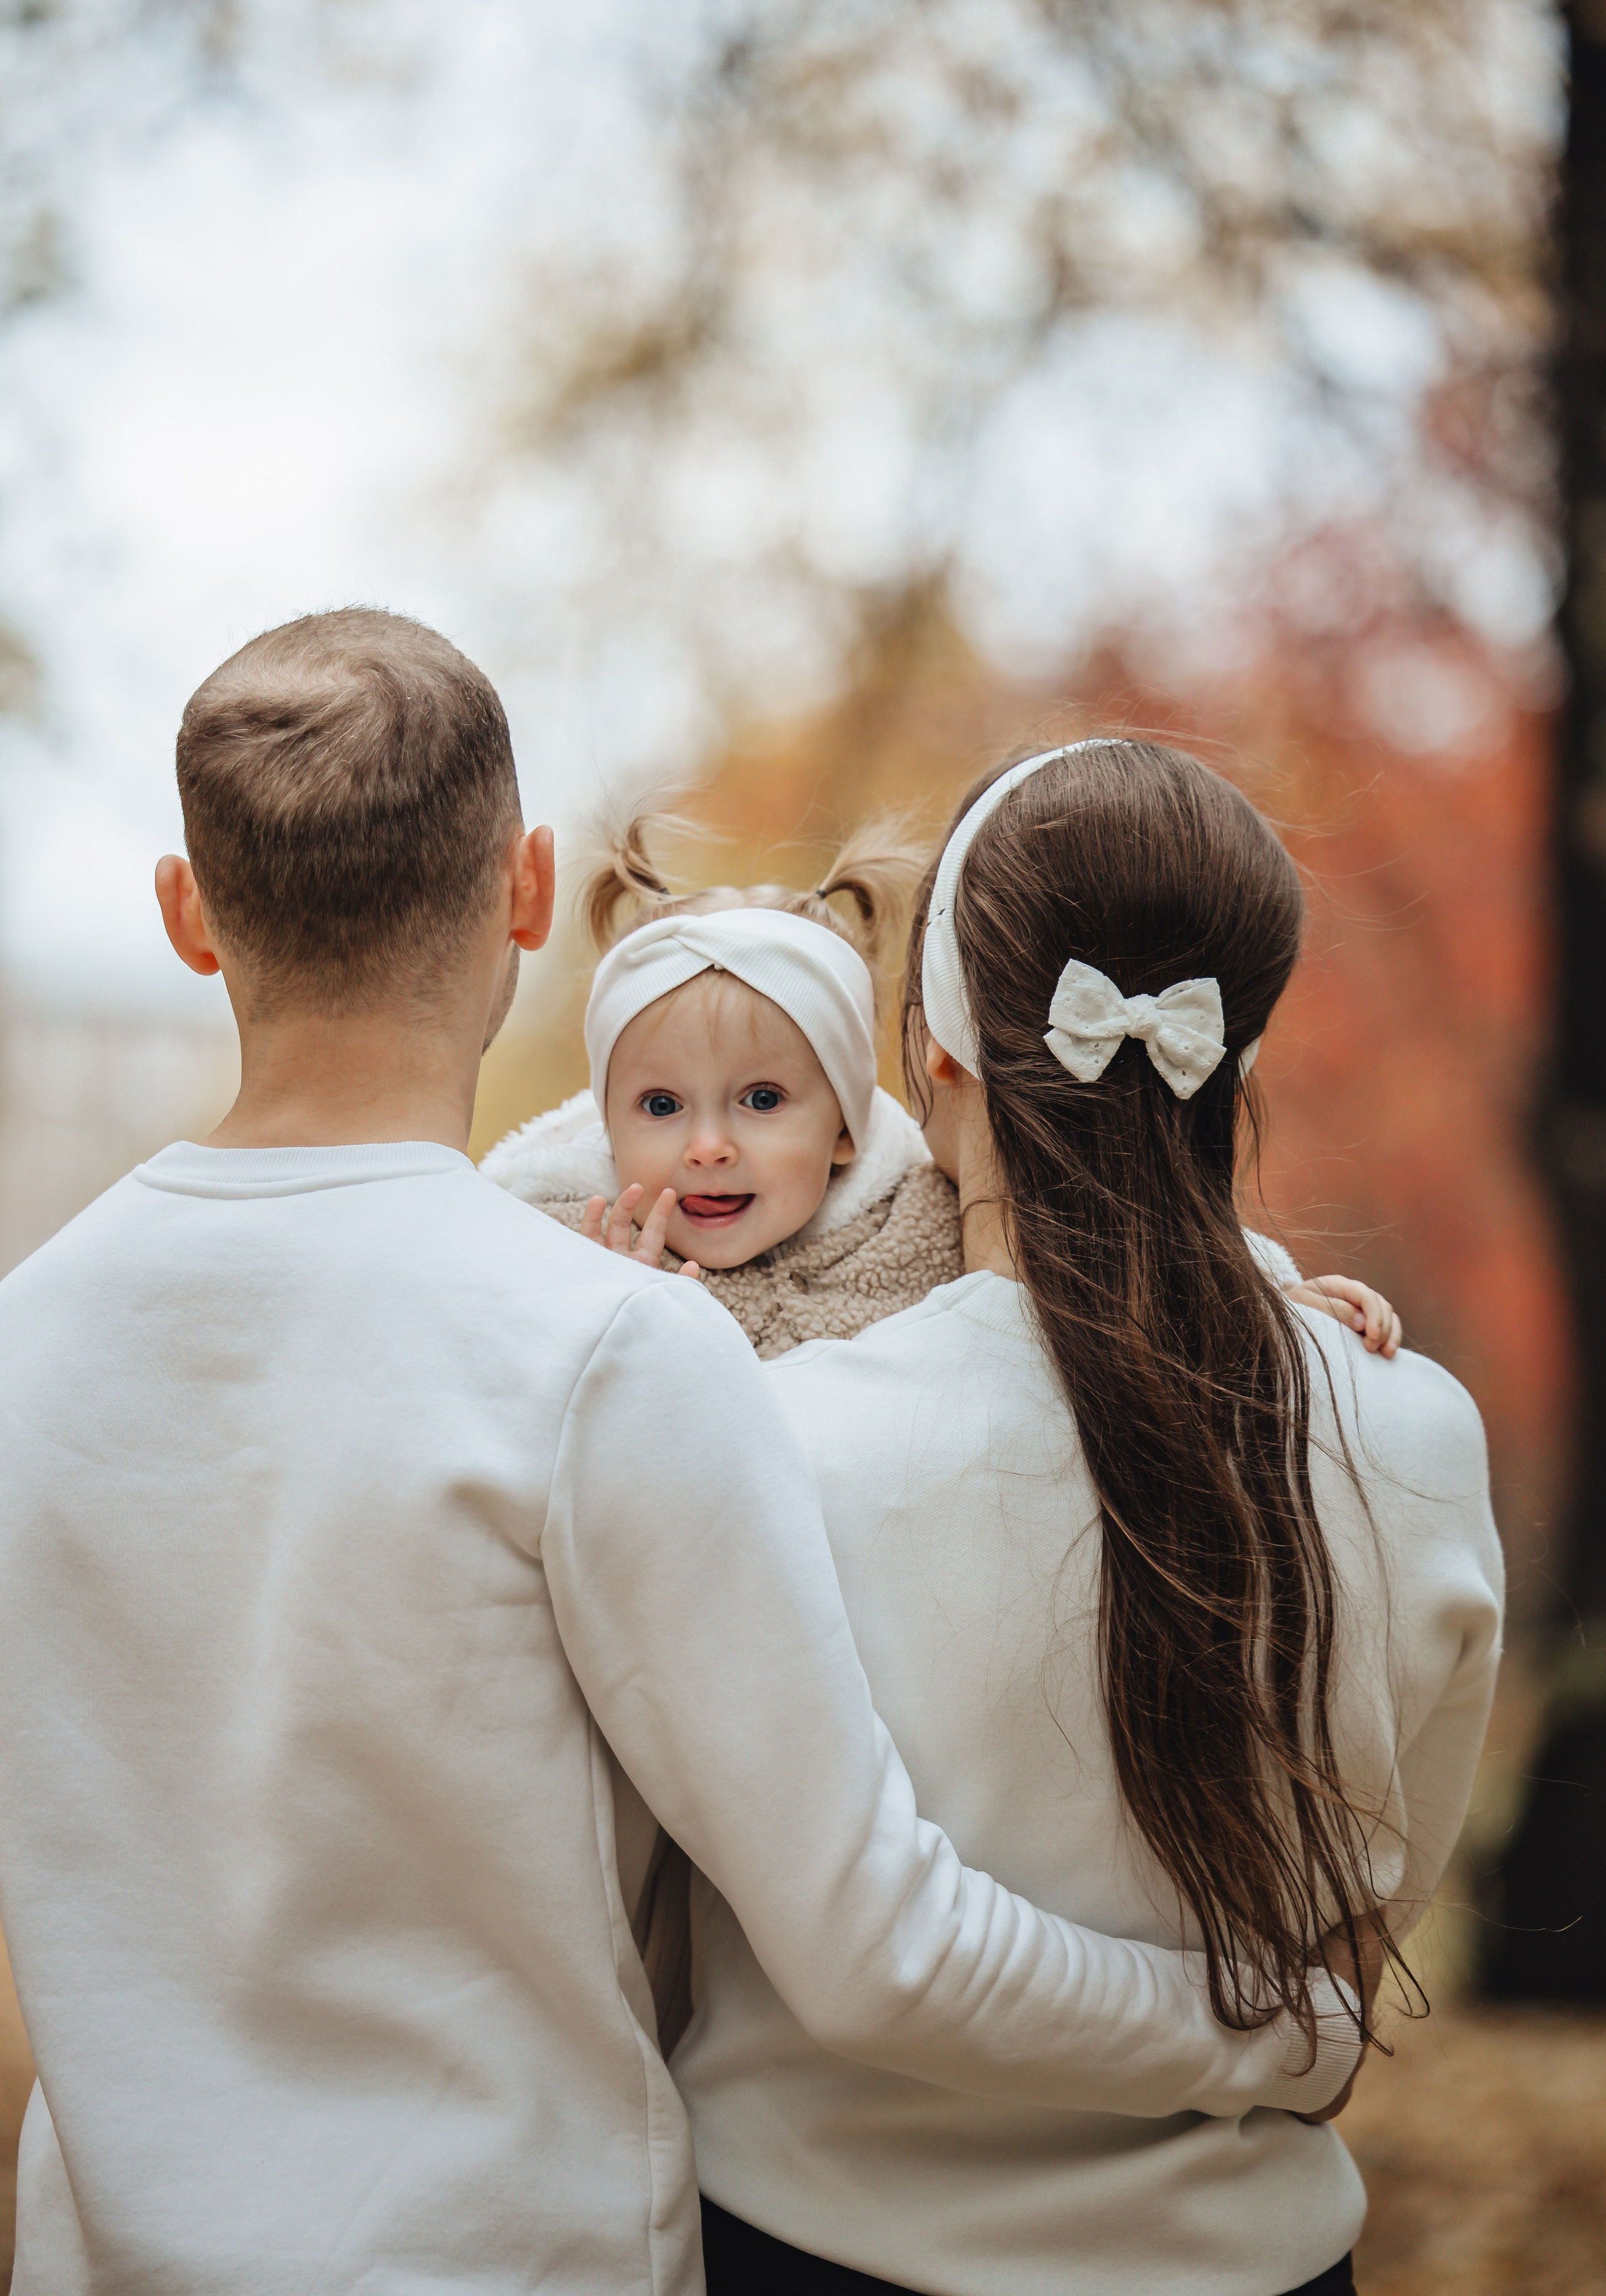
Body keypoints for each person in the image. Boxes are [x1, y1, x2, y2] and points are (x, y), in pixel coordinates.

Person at [0, 625, 1368, 2296]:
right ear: (526, 890)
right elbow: (873, 1943)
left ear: (186, 913)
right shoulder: (606, 1349)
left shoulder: (27, 1344)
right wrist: (1273, 2033)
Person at [664, 742, 1504, 2296]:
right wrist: (1290, 2034)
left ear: (928, 1053)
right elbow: (1352, 1941)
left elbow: (800, 1957)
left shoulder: (779, 1438)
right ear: (1234, 1059)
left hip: (817, 2253)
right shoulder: (1417, 1436)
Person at [484, 810, 1402, 1359]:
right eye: (660, 1105)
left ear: (846, 1126)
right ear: (603, 1124)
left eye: (762, 1101)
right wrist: (605, 1325)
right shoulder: (562, 1248)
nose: (709, 1144)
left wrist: (1265, 1297)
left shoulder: (924, 1216)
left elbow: (1105, 1245)